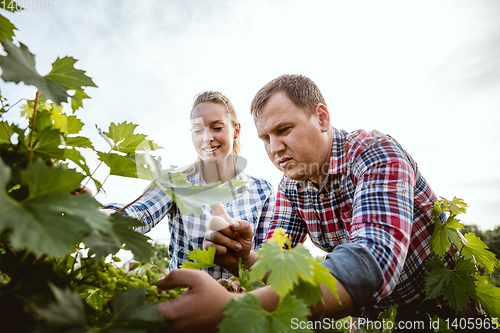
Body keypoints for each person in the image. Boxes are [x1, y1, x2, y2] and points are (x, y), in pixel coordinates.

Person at [155, 75, 451, 331]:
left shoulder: (375, 154)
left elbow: (371, 259)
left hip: (448, 306)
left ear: (322, 118)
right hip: (376, 318)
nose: (274, 148)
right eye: (265, 138)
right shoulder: (290, 187)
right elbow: (275, 265)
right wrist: (244, 257)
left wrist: (233, 308)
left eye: (284, 130)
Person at [105, 91, 275, 279]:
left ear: (236, 131)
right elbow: (138, 215)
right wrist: (99, 215)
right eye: (198, 130)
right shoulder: (176, 180)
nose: (207, 137)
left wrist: (238, 279)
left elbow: (264, 258)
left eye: (217, 128)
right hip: (182, 300)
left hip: (241, 304)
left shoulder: (262, 191)